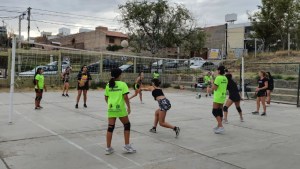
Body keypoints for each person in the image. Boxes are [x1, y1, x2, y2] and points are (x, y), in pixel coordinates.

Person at [104, 68, 136, 155]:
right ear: (119, 75)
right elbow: (125, 97)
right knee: (127, 125)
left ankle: (108, 148)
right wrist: (129, 107)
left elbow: (106, 98)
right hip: (120, 109)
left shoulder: (108, 85)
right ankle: (127, 146)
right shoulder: (123, 84)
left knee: (110, 127)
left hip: (111, 109)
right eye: (121, 74)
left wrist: (111, 105)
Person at [211, 66, 228, 134]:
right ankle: (219, 126)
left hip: (218, 96)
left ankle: (221, 126)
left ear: (219, 71)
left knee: (214, 111)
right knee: (219, 111)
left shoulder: (218, 78)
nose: (216, 71)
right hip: (223, 96)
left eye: (217, 70)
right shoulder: (225, 78)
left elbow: (214, 88)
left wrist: (212, 82)